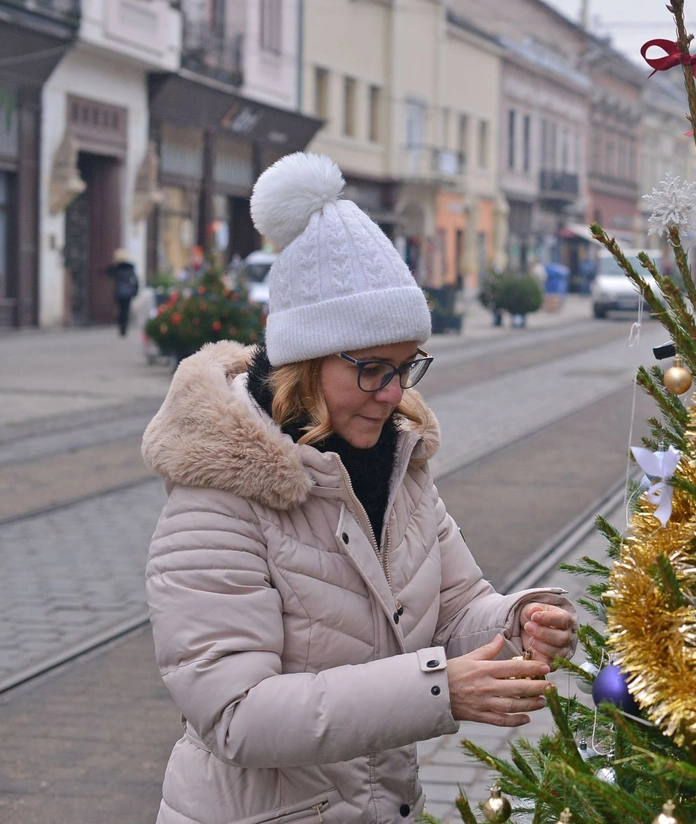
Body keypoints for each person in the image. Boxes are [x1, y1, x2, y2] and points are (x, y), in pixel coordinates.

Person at [142, 152, 578, 823]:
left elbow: (459, 608)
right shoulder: (218, 493)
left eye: (407, 367)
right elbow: (234, 716)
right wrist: (439, 693)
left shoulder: (398, 467)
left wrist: (518, 622)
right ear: (305, 364)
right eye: (371, 369)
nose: (395, 394)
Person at [106, 249, 139, 337]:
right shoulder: (130, 267)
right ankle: (124, 327)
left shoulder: (117, 268)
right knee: (125, 310)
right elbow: (135, 281)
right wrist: (135, 291)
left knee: (121, 310)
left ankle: (122, 327)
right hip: (128, 292)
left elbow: (109, 273)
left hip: (119, 291)